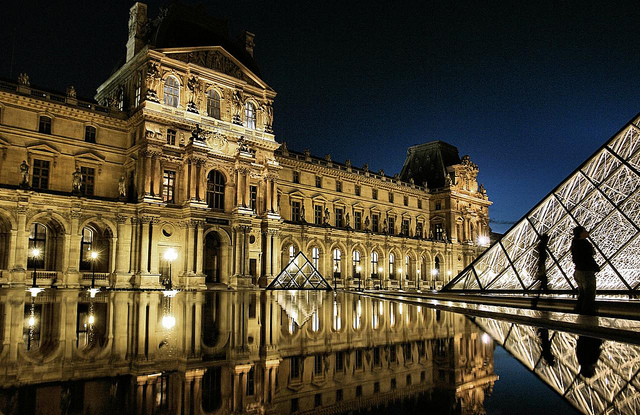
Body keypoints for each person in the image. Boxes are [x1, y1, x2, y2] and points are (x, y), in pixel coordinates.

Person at [571, 226, 600, 314]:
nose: (587, 232)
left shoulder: (574, 242)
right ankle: (587, 313)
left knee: (582, 294)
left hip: (578, 271)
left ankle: (579, 312)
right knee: (589, 294)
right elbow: (592, 253)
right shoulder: (584, 243)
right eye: (585, 231)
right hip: (586, 271)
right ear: (581, 233)